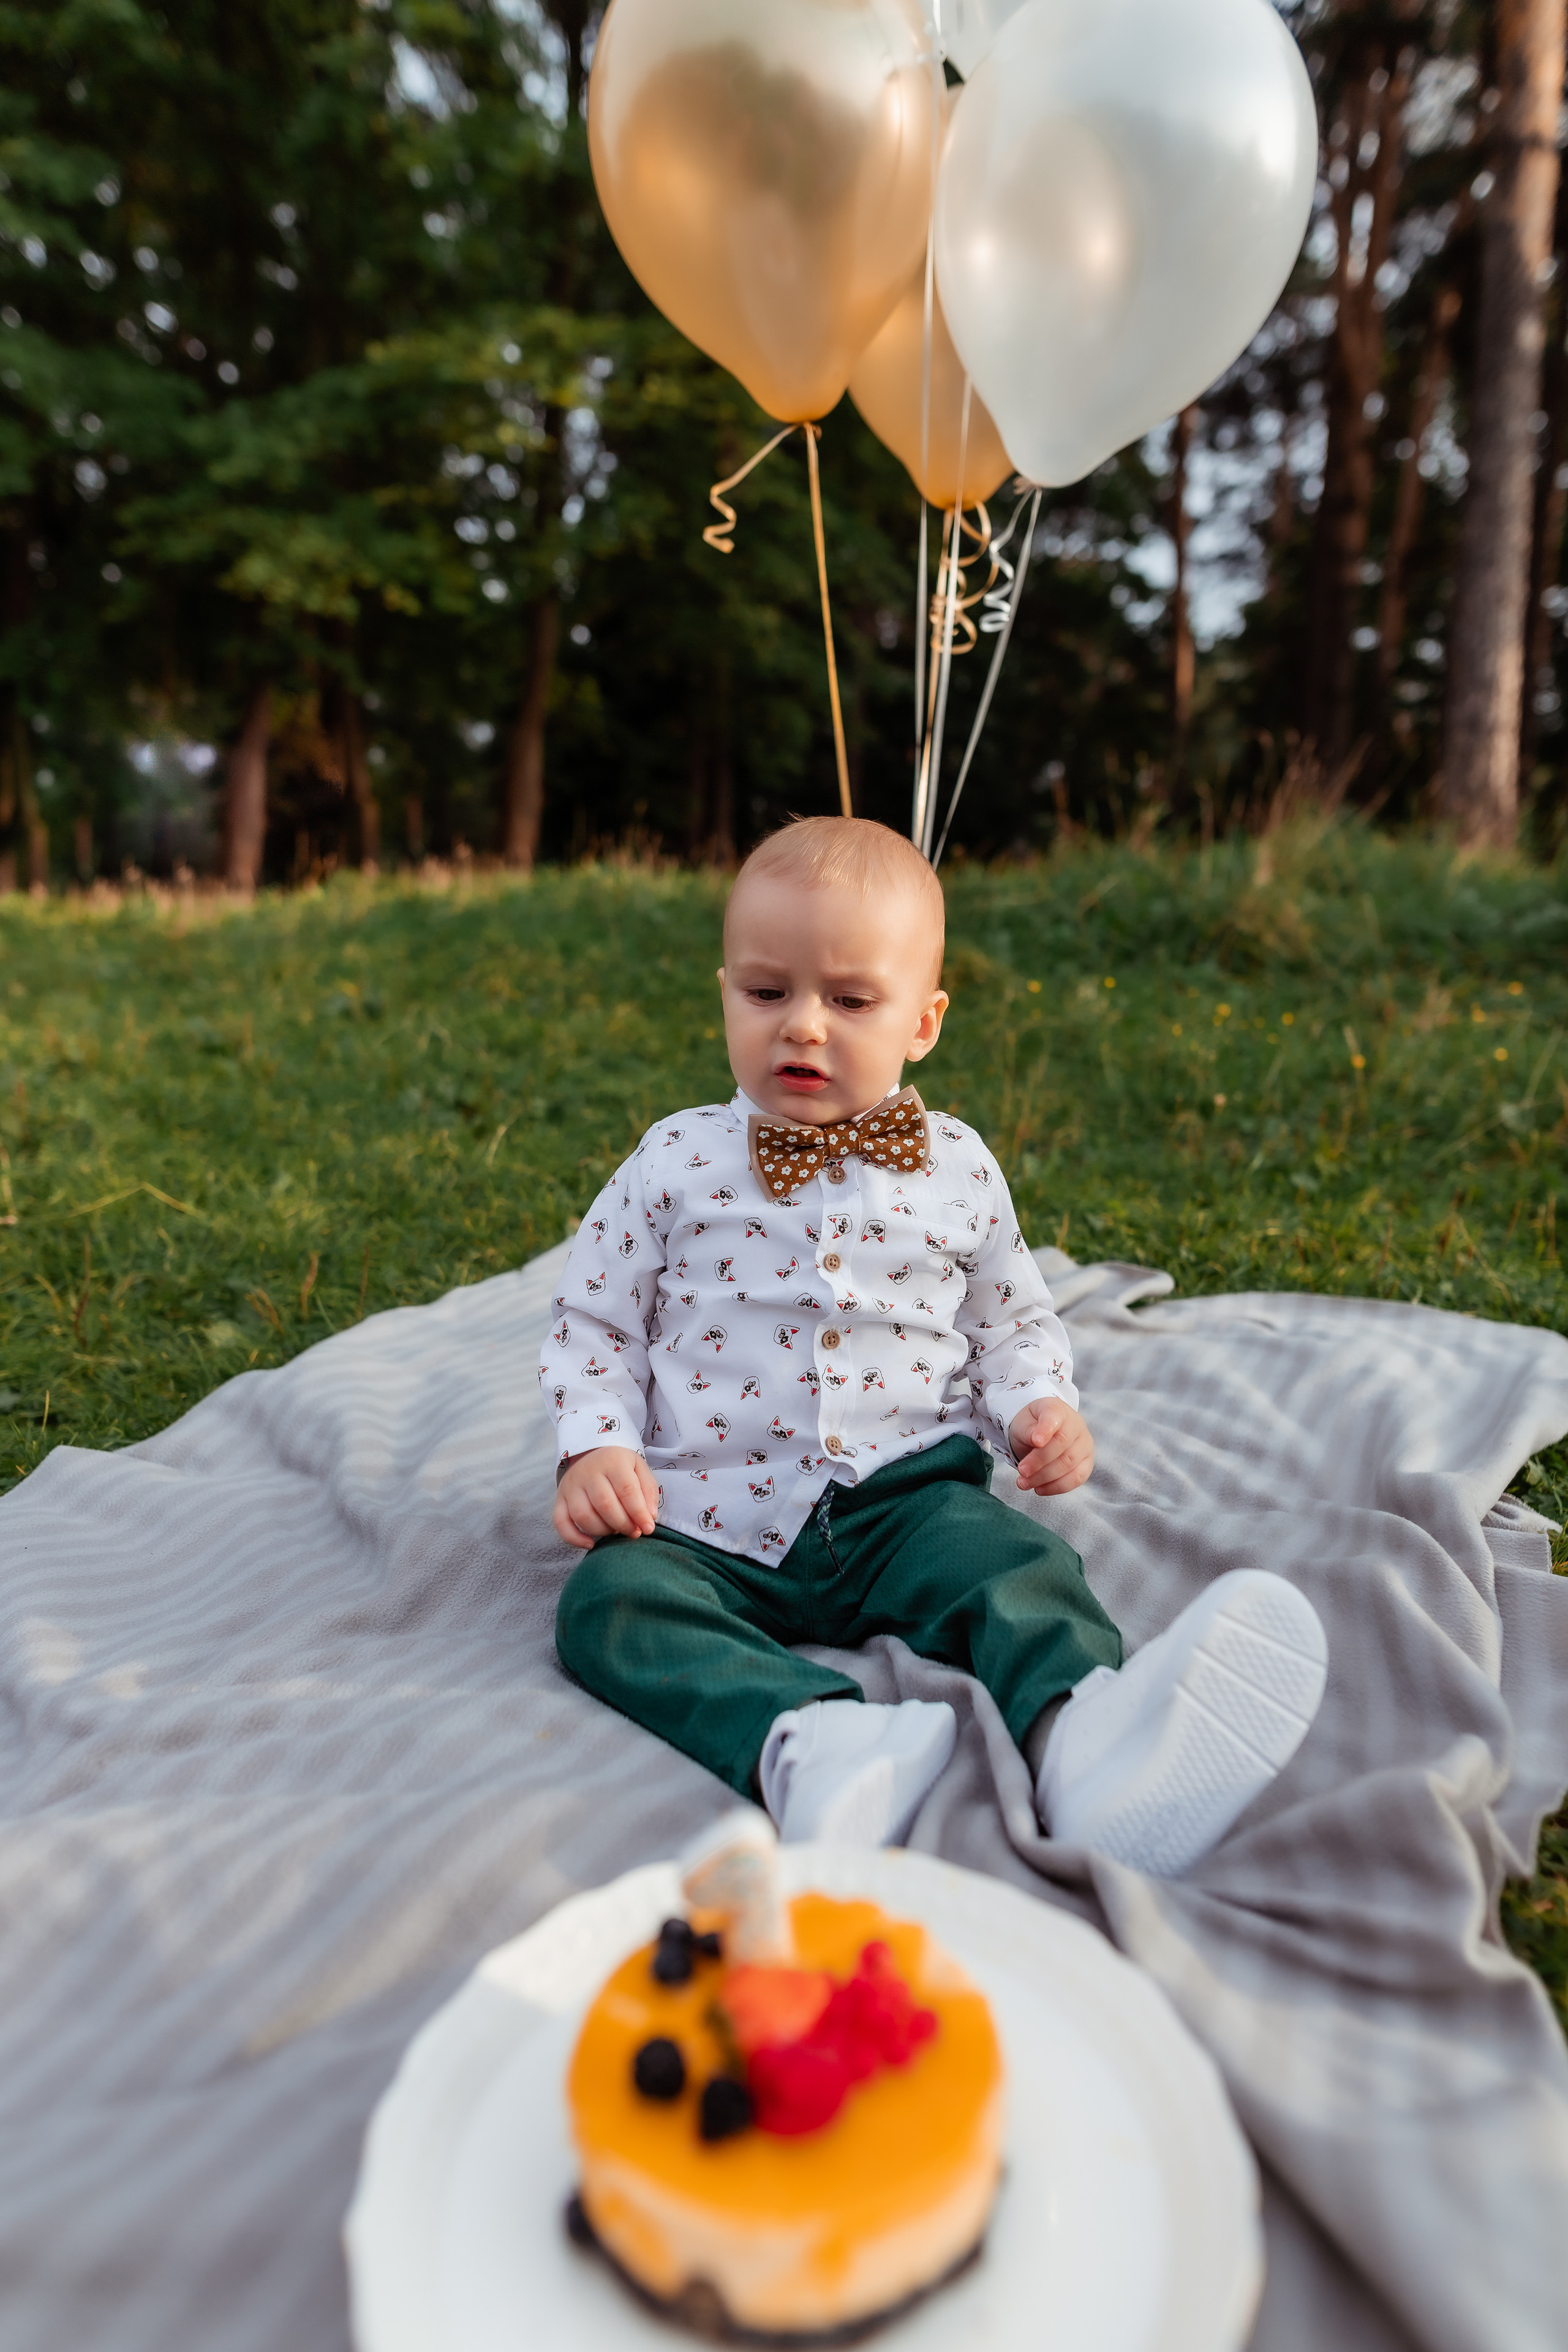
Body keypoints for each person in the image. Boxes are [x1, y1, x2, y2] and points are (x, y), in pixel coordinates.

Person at [546, 816, 1325, 1871]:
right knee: (609, 1607)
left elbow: (1009, 1318)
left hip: (902, 1499)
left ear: (924, 1021)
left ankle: (1087, 1737)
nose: (803, 1029)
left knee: (1015, 1568)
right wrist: (596, 1445)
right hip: (703, 1512)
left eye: (852, 1001)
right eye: (767, 994)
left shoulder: (956, 1168)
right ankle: (817, 1742)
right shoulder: (676, 1158)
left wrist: (1037, 1406)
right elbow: (596, 1317)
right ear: (725, 990)